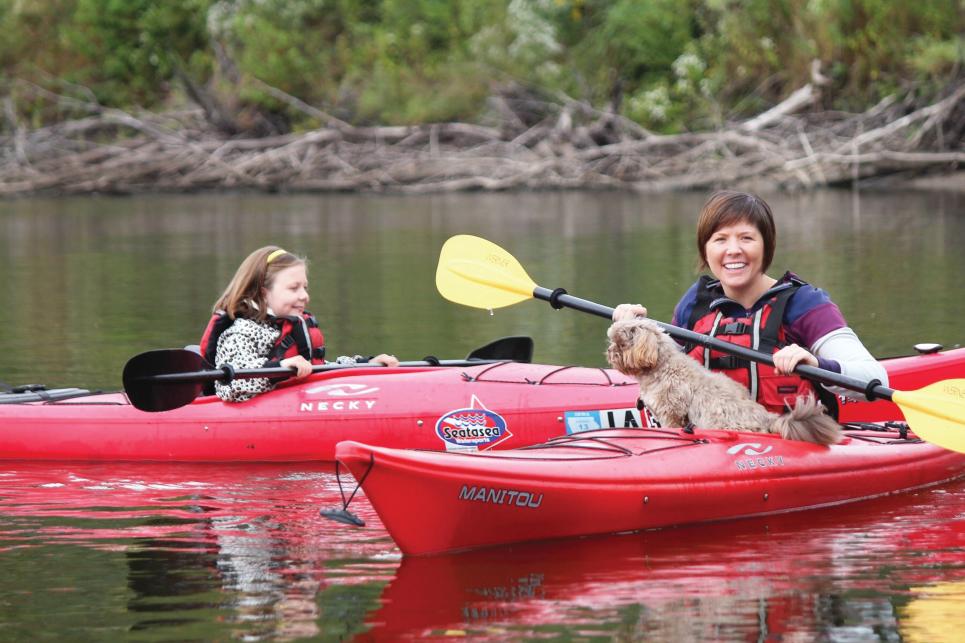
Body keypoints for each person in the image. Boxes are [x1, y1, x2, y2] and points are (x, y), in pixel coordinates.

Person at [612, 190, 888, 415]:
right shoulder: (694, 304)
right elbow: (666, 370)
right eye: (720, 239)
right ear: (705, 250)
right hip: (711, 443)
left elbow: (875, 378)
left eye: (746, 238)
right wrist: (637, 331)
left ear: (766, 246)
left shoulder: (804, 303)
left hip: (791, 439)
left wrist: (816, 364)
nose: (733, 250)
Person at [200, 246, 399, 402]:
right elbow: (230, 388)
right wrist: (279, 368)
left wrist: (365, 365)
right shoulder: (240, 333)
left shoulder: (290, 327)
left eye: (304, 287)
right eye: (293, 288)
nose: (304, 296)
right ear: (263, 292)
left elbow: (319, 369)